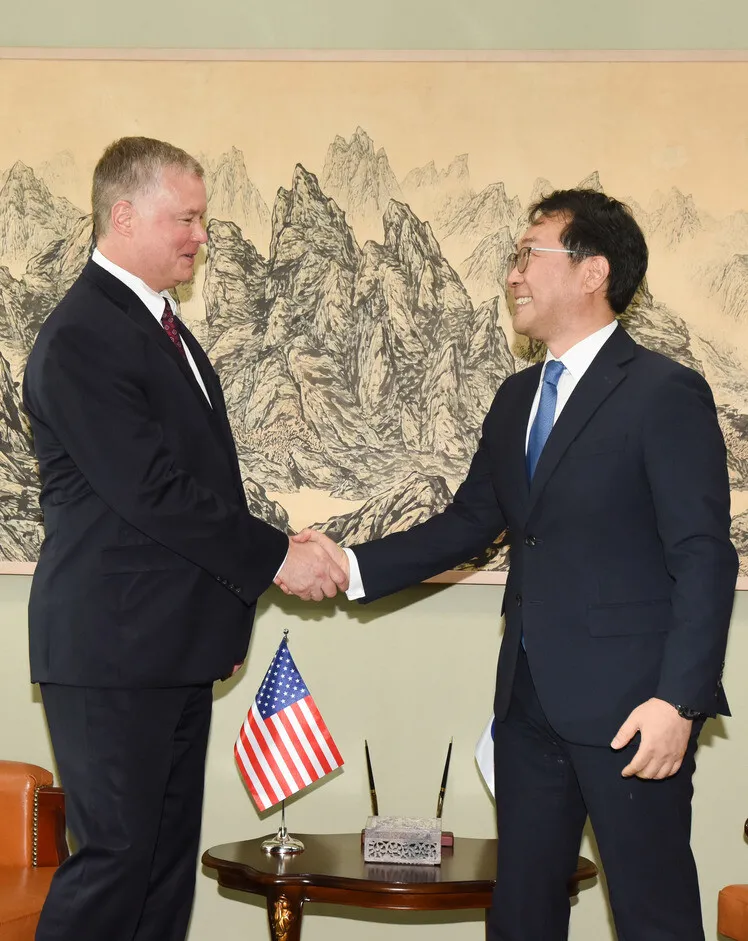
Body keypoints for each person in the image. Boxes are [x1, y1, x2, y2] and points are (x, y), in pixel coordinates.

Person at [280, 189, 738, 940]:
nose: (513, 274)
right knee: (520, 913)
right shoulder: (518, 395)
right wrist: (350, 565)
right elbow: (469, 523)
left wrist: (678, 702)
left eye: (530, 254)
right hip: (526, 706)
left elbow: (703, 557)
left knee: (652, 914)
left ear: (592, 271)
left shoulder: (664, 392)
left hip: (633, 712)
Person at [22, 136, 345, 941]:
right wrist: (278, 557)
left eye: (203, 218)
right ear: (124, 215)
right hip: (112, 651)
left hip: (164, 648)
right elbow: (153, 493)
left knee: (161, 871)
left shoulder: (155, 324)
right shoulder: (84, 334)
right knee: (116, 862)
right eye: (187, 218)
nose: (202, 236)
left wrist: (219, 621)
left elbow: (195, 491)